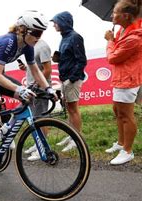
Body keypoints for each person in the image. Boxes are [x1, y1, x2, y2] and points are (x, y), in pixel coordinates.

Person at [0, 10, 55, 185]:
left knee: (27, 97)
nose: (39, 37)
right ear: (23, 29)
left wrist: (49, 88)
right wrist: (19, 88)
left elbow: (35, 70)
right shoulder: (8, 42)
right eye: (37, 33)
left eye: (42, 33)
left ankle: (5, 130)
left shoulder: (28, 46)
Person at [104, 0, 142, 165]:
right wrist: (114, 38)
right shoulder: (123, 29)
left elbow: (113, 57)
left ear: (126, 15)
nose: (112, 15)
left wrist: (109, 41)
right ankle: (121, 143)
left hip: (128, 78)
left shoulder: (135, 37)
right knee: (117, 110)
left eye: (115, 12)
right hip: (121, 77)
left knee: (126, 115)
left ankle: (127, 151)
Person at [50, 11, 87, 152]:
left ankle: (76, 139)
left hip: (72, 79)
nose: (54, 25)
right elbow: (70, 57)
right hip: (65, 78)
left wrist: (72, 79)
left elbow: (81, 60)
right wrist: (59, 58)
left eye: (56, 22)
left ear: (63, 22)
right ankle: (71, 134)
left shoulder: (75, 37)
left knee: (73, 109)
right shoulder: (64, 37)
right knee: (69, 108)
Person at [18, 39, 53, 161]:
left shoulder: (42, 46)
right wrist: (25, 68)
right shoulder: (32, 46)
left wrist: (37, 85)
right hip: (32, 88)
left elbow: (47, 69)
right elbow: (35, 68)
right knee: (34, 119)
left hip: (40, 88)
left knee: (41, 119)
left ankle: (44, 147)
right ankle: (38, 144)